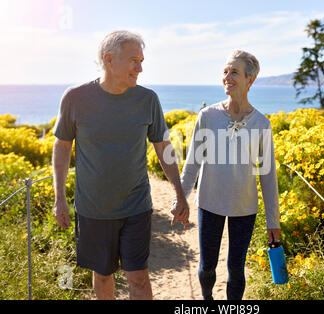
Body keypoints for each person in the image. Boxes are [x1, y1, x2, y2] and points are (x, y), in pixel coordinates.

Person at [52, 30, 189, 300]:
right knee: (102, 276)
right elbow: (62, 146)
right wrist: (59, 198)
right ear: (109, 59)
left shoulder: (147, 99)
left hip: (136, 207)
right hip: (93, 209)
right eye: (134, 60)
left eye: (141, 60)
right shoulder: (75, 98)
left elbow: (163, 146)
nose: (140, 68)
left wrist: (179, 194)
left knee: (138, 278)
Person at [180, 50, 281, 300]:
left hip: (244, 207)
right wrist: (180, 200)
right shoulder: (207, 116)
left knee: (236, 269)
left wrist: (273, 221)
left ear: (250, 80)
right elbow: (192, 163)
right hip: (209, 202)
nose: (227, 76)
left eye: (234, 72)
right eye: (225, 71)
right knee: (207, 267)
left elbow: (268, 177)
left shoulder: (261, 123)